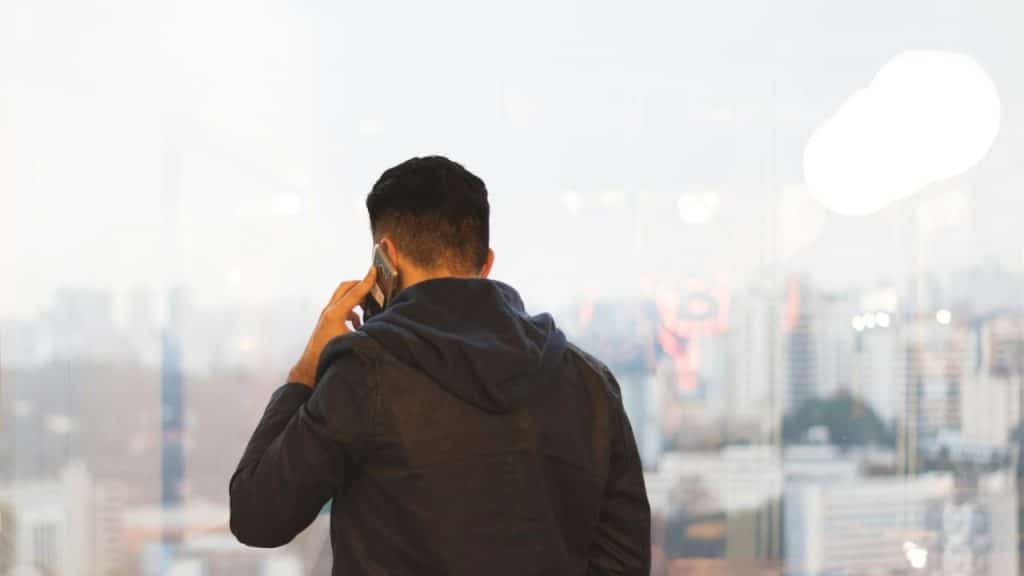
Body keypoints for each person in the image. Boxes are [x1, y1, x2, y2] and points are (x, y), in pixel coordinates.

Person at [229, 156, 651, 575]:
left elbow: (257, 515)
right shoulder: (590, 384)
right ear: (486, 262)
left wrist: (306, 370)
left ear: (386, 258)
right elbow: (625, 563)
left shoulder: (362, 374)